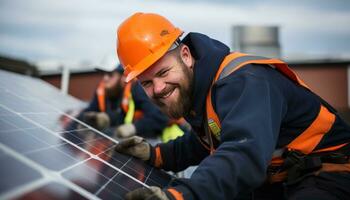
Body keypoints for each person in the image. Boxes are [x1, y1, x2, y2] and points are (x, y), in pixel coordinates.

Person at [114, 12, 350, 200]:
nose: (158, 88)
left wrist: (181, 195)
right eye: (146, 82)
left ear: (185, 55)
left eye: (164, 72)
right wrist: (156, 155)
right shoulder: (202, 90)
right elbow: (207, 139)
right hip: (284, 177)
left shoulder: (243, 81)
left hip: (330, 173)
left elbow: (242, 154)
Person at [68, 64, 175, 140]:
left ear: (123, 77)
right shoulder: (102, 90)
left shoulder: (137, 89)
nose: (105, 79)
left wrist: (134, 128)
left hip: (157, 138)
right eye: (104, 74)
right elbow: (91, 111)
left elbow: (160, 116)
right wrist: (77, 123)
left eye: (110, 75)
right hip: (121, 139)